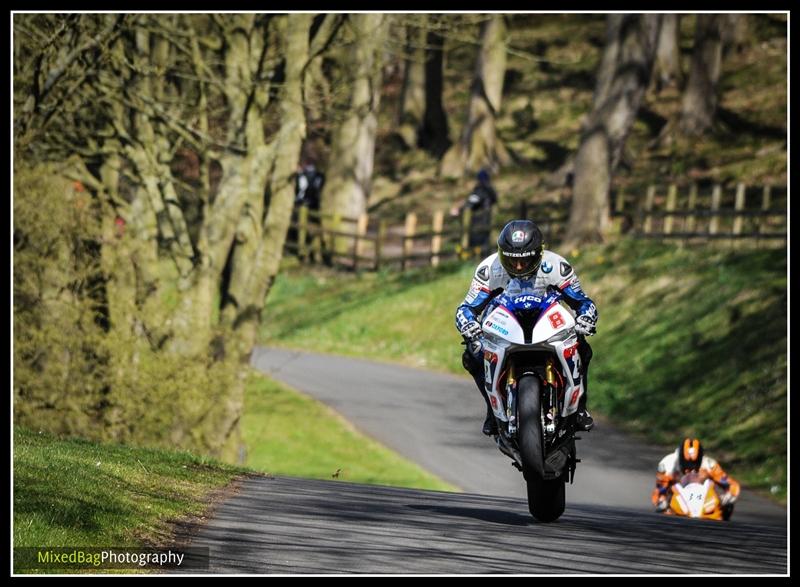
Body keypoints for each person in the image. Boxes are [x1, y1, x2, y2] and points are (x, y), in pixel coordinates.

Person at [455, 219, 598, 436]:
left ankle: (578, 407)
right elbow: (468, 307)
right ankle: (492, 410)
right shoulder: (489, 269)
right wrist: (468, 323)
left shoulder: (557, 266)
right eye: (511, 261)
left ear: (539, 253)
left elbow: (582, 301)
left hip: (545, 323)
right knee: (472, 354)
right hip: (505, 325)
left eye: (525, 260)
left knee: (582, 347)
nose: (519, 267)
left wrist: (586, 317)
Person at [651, 438, 741, 519]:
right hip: (677, 503)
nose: (691, 468)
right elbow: (660, 489)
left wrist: (729, 496)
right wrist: (662, 500)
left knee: (728, 507)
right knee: (662, 511)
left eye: (695, 464)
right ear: (680, 458)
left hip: (706, 503)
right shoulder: (667, 464)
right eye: (687, 463)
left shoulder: (709, 464)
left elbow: (730, 484)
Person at [451, 168, 498, 257]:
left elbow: (471, 202)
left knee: (476, 243)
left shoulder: (480, 190)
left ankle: (473, 259)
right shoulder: (490, 191)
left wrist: (459, 209)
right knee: (485, 243)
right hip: (487, 221)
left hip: (478, 222)